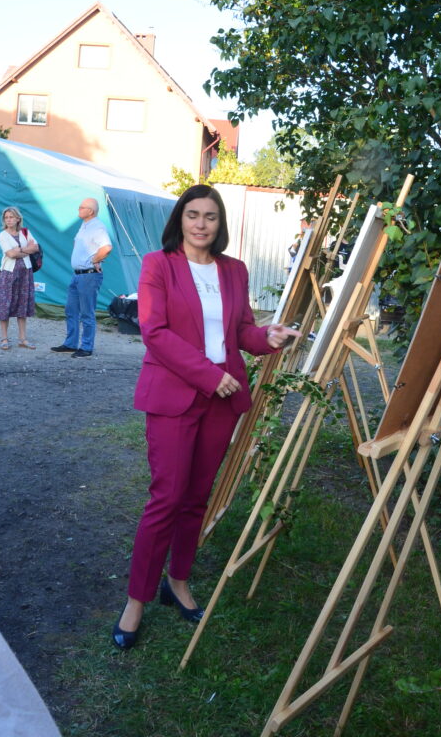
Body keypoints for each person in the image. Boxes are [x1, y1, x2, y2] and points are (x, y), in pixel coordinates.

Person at [112, 184, 300, 650]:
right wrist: (207, 375)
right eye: (193, 215)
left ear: (220, 225)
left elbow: (239, 331)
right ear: (180, 220)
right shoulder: (159, 265)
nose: (201, 224)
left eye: (210, 216)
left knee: (197, 497)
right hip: (177, 393)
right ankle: (136, 599)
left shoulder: (234, 270)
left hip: (222, 396)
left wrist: (267, 336)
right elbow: (154, 331)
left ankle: (178, 581)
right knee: (166, 497)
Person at [51, 197, 112, 359]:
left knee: (86, 313)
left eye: (81, 207)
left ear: (90, 211)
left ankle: (86, 347)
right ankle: (71, 344)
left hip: (89, 275)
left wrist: (95, 260)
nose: (79, 209)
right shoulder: (85, 226)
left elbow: (106, 247)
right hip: (78, 275)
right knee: (71, 310)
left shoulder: (97, 227)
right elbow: (78, 244)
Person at [0, 207, 39, 350]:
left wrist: (18, 250)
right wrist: (25, 249)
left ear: (18, 219)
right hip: (9, 273)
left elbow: (36, 248)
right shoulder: (2, 235)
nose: (9, 220)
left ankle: (22, 339)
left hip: (25, 272)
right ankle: (4, 338)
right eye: (6, 217)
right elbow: (10, 254)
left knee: (22, 304)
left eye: (11, 217)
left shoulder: (25, 232)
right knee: (5, 304)